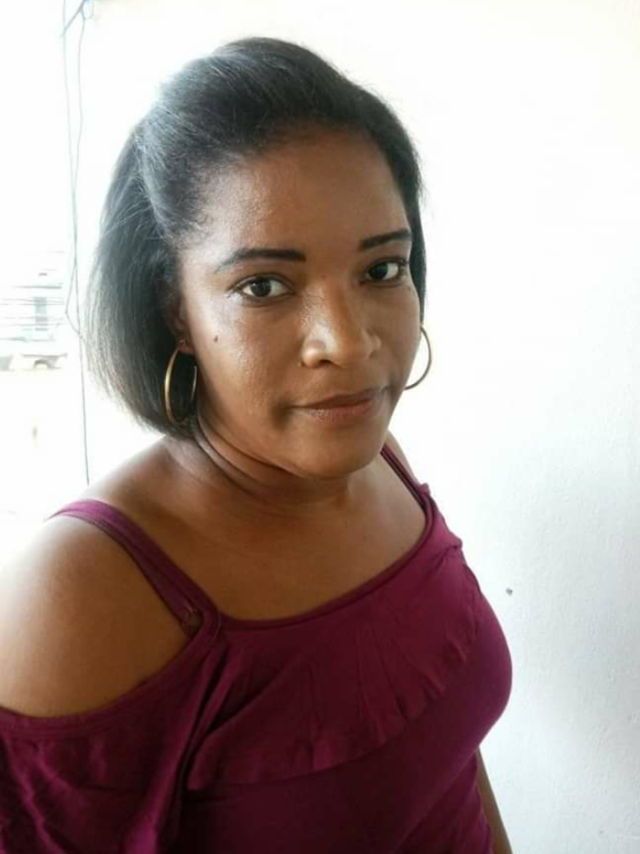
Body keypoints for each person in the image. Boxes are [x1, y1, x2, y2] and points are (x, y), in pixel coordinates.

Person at [0, 37, 513, 853]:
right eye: (263, 285)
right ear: (176, 310)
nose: (347, 343)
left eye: (382, 270)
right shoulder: (80, 592)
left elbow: (451, 764)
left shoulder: (382, 462)